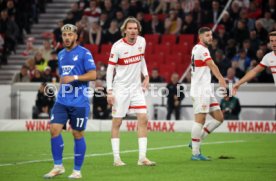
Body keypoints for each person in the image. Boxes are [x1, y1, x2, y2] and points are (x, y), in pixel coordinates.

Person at [43, 24, 96, 179]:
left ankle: (77, 171)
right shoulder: (60, 54)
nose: (67, 37)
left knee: (77, 133)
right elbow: (64, 76)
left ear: (76, 36)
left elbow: (93, 75)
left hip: (79, 102)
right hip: (62, 101)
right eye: (64, 35)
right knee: (54, 130)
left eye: (70, 35)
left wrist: (75, 77)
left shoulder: (84, 53)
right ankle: (58, 166)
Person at [106, 17, 156, 166]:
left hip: (136, 88)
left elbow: (141, 59)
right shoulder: (117, 46)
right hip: (120, 88)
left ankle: (142, 158)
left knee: (143, 118)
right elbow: (110, 69)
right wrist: (109, 90)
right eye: (130, 28)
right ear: (125, 30)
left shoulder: (142, 41)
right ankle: (116, 159)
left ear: (138, 30)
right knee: (117, 122)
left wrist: (146, 75)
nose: (133, 31)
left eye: (135, 28)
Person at [189, 27, 227, 161]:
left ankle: (196, 140)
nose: (210, 37)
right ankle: (195, 153)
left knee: (219, 118)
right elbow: (211, 64)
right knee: (200, 119)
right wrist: (221, 79)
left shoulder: (197, 48)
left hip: (206, 89)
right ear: (200, 37)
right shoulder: (201, 49)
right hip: (200, 90)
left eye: (211, 35)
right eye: (207, 35)